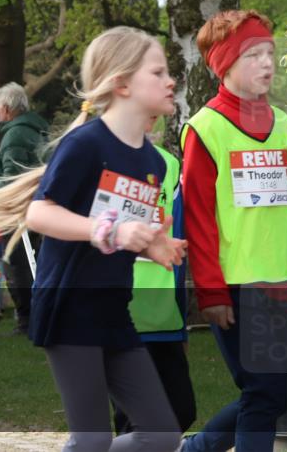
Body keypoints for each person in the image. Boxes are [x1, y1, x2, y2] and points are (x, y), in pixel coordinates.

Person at [0, 26, 186, 452]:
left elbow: (129, 230)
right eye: (158, 73)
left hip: (115, 312)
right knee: (94, 440)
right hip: (68, 309)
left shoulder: (152, 161)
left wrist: (153, 245)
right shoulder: (86, 144)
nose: (170, 81)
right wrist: (111, 231)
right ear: (122, 84)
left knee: (163, 434)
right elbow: (40, 212)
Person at [180, 10, 287, 452]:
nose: (268, 64)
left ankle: (198, 448)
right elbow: (197, 218)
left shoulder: (284, 125)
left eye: (270, 53)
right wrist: (211, 294)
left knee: (279, 392)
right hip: (235, 284)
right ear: (225, 65)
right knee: (267, 391)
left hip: (283, 282)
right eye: (254, 55)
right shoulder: (204, 129)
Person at [112, 117, 196, 436]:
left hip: (165, 315)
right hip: (122, 312)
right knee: (132, 421)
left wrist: (181, 320)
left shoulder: (169, 164)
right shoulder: (106, 158)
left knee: (182, 411)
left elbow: (178, 241)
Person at [0, 82, 49, 336]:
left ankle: (26, 320)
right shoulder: (40, 131)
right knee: (37, 265)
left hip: (17, 214)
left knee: (17, 267)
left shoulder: (14, 136)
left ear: (5, 108)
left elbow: (11, 179)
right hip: (40, 209)